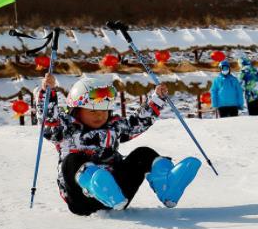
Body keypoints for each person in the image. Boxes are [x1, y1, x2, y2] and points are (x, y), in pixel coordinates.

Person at [35, 74, 201, 216]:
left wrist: (156, 100)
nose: (100, 116)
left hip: (118, 196)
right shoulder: (65, 129)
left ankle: (167, 184)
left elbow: (138, 122)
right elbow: (48, 122)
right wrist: (47, 95)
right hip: (81, 199)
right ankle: (96, 183)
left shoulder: (114, 127)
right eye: (93, 111)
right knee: (72, 160)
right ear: (76, 110)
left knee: (143, 153)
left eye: (104, 110)